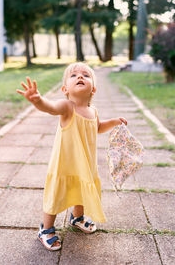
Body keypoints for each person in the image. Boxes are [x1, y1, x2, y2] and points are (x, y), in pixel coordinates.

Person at [16, 62, 127, 251]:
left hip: (84, 163)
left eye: (86, 75)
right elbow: (50, 107)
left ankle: (77, 217)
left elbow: (98, 127)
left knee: (81, 191)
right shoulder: (67, 107)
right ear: (65, 89)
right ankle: (46, 228)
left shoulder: (93, 111)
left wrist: (115, 122)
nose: (80, 77)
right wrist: (37, 100)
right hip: (64, 164)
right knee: (56, 194)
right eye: (74, 75)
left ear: (94, 89)